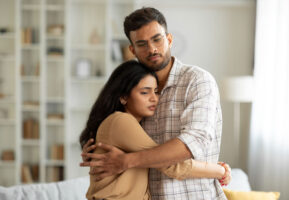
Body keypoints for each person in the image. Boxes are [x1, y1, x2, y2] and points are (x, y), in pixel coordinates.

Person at [81, 7, 228, 199]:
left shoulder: (197, 80)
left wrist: (128, 161)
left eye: (157, 39)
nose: (151, 49)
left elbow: (192, 143)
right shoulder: (132, 101)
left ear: (169, 39)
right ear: (132, 50)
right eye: (142, 44)